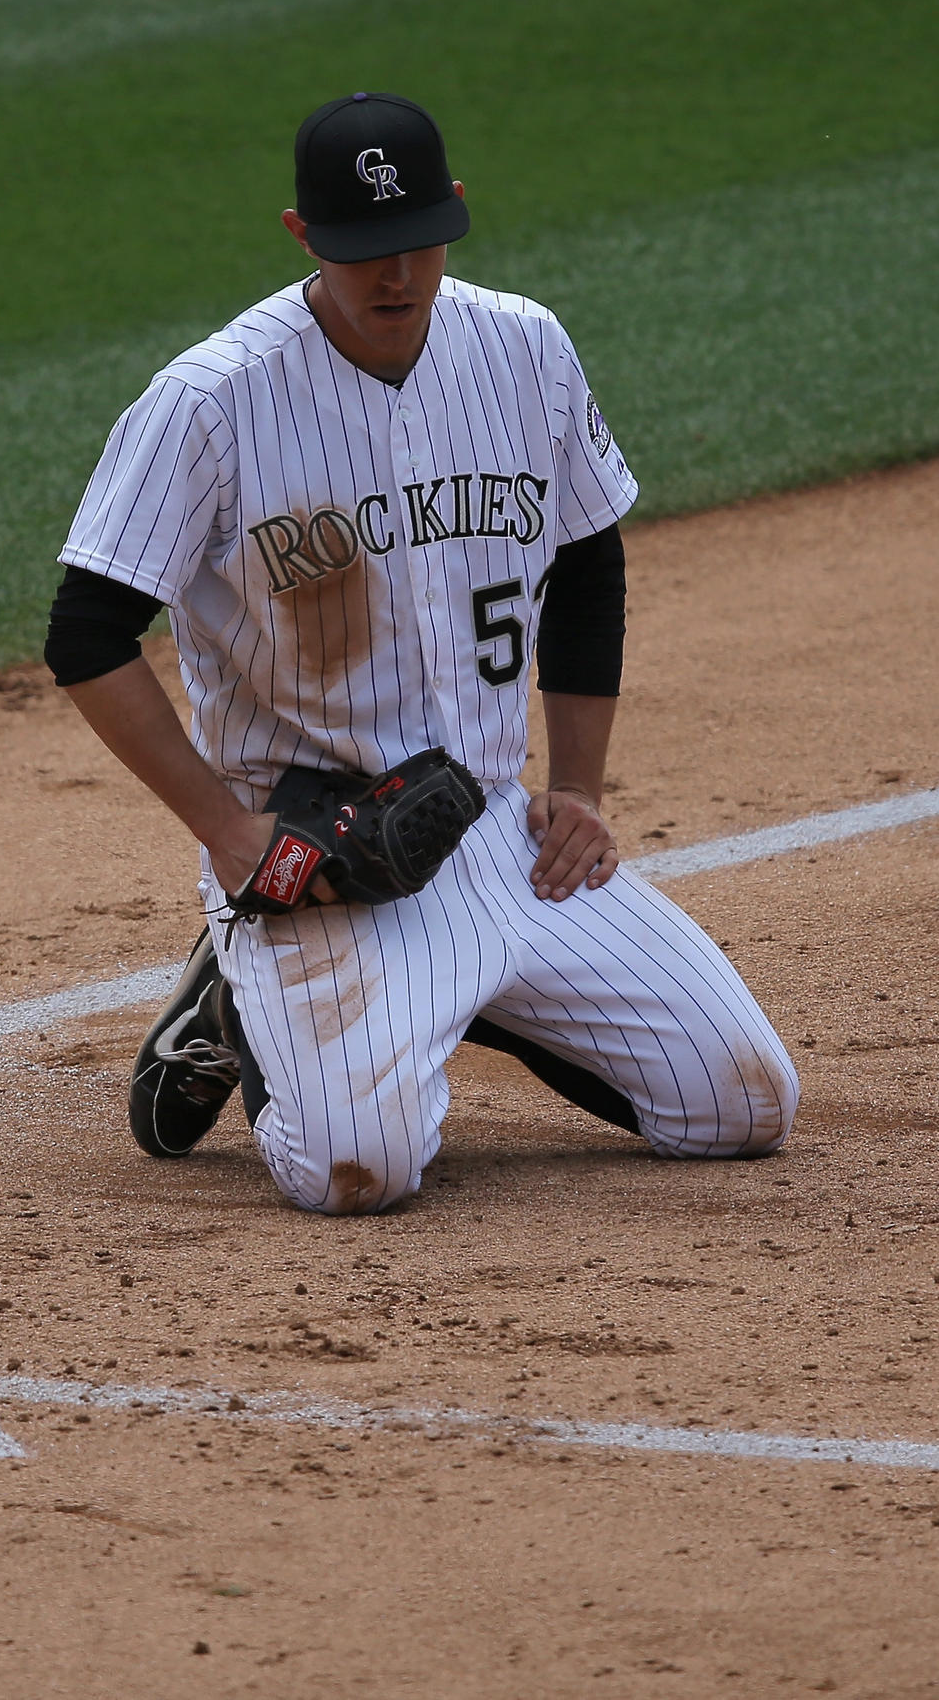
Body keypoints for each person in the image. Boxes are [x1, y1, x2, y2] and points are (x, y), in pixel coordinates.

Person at [44, 94, 796, 1216]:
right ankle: (238, 996)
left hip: (495, 827)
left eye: (416, 243)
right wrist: (233, 837)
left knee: (746, 1105)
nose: (394, 275)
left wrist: (579, 787)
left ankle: (471, 988)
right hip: (314, 853)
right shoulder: (209, 403)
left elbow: (589, 559)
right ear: (303, 236)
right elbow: (85, 633)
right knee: (356, 1174)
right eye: (361, 252)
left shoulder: (524, 348)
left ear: (456, 217)